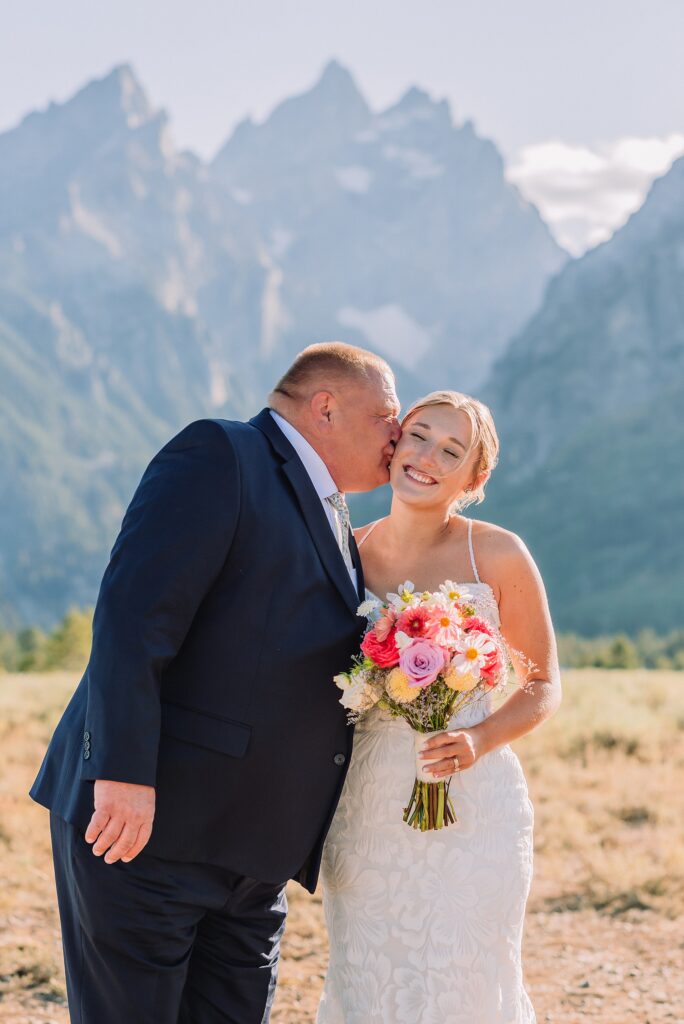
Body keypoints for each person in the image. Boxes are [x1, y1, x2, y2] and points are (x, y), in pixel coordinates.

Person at [30, 342, 401, 1024]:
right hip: (147, 828)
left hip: (251, 856)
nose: (398, 435)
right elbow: (133, 616)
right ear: (326, 406)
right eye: (386, 416)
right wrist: (120, 772)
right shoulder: (222, 456)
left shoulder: (340, 518)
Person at [317, 390, 561, 1024]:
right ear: (394, 442)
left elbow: (541, 684)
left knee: (467, 974)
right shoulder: (345, 550)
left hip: (474, 801)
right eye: (418, 435)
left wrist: (479, 739)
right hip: (367, 802)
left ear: (474, 478)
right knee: (367, 973)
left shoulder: (499, 553)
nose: (426, 456)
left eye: (451, 450)